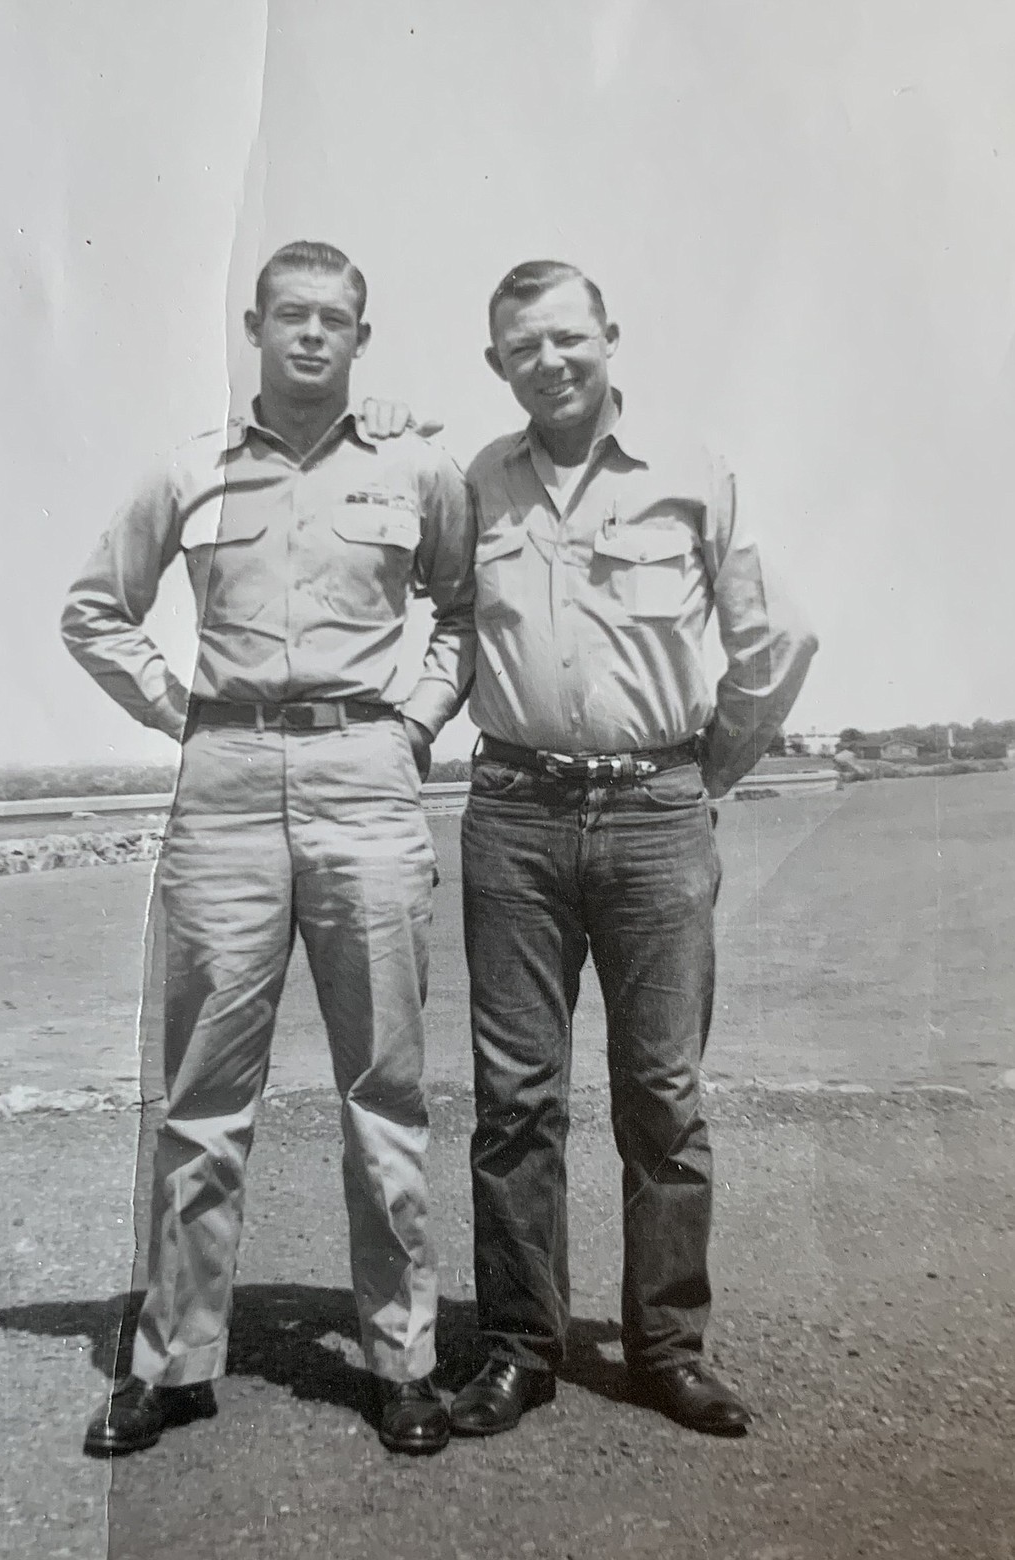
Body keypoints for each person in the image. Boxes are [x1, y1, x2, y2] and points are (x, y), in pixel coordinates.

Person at [61, 240, 475, 1458]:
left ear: (362, 336)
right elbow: (95, 608)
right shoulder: (191, 470)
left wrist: (415, 723)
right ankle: (178, 1361)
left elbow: (464, 613)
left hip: (367, 779)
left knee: (385, 1089)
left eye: (333, 319)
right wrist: (173, 706)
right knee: (202, 1097)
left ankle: (404, 1360)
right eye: (289, 315)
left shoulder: (417, 466)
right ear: (255, 326)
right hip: (228, 783)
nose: (310, 335)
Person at [446, 260, 817, 1440]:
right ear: (496, 364)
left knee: (662, 1098)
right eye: (522, 347)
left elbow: (778, 636)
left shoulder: (695, 471)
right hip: (512, 815)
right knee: (515, 1099)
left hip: (656, 814)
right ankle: (519, 1346)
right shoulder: (473, 486)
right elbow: (444, 627)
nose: (548, 362)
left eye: (568, 338)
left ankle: (666, 1347)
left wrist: (704, 774)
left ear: (610, 337)